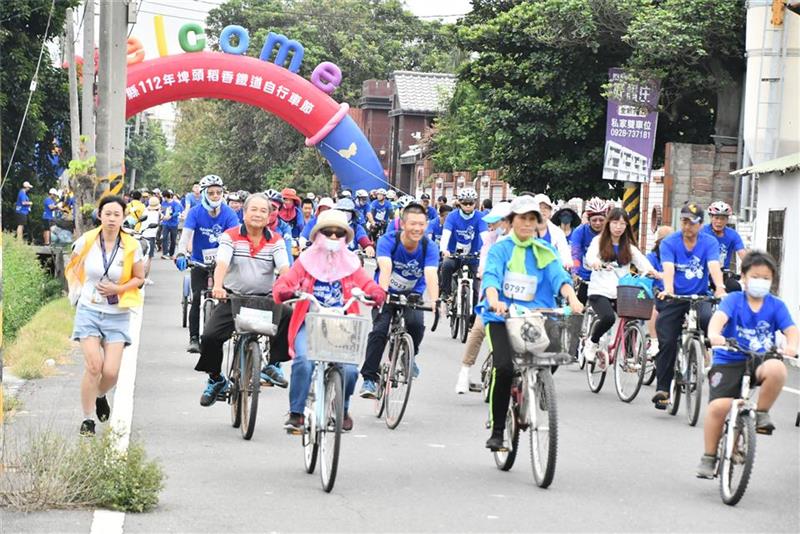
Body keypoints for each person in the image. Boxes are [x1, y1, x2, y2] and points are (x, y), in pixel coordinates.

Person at [479, 196, 583, 450]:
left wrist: (573, 297)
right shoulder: (500, 249)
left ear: (538, 223)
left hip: (537, 316)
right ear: (511, 221)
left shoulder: (544, 251)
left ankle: (539, 386)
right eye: (522, 218)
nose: (526, 224)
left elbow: (559, 277)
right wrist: (494, 300)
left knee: (555, 355)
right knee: (503, 369)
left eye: (531, 219)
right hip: (502, 318)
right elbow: (491, 278)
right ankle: (498, 429)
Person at [273, 210, 386, 433]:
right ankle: (296, 413)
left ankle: (342, 409)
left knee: (350, 371)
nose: (333, 238)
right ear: (317, 235)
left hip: (342, 326)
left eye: (338, 234)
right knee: (304, 361)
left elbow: (366, 283)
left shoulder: (351, 263)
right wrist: (285, 291)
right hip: (309, 322)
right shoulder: (305, 261)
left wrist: (376, 292)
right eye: (328, 232)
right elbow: (285, 281)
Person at [697, 251, 798, 478]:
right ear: (743, 276)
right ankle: (709, 456)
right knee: (718, 407)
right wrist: (714, 335)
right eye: (755, 276)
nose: (760, 282)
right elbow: (718, 319)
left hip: (760, 360)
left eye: (766, 278)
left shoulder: (776, 305)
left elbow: (791, 330)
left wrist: (791, 346)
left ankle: (762, 413)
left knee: (777, 369)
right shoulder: (734, 300)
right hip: (730, 360)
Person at [194, 193, 293, 405]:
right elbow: (221, 263)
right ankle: (215, 379)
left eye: (263, 211)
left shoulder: (276, 240)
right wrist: (218, 287)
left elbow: (284, 268)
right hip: (233, 298)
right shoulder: (230, 236)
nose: (258, 214)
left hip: (264, 299)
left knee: (289, 313)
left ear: (269, 216)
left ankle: (273, 364)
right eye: (253, 210)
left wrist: (287, 287)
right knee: (210, 336)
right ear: (244, 213)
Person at [65, 195, 145, 436]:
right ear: (99, 215)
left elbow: (139, 278)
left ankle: (100, 395)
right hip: (89, 310)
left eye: (116, 214)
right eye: (107, 213)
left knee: (110, 372)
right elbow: (72, 268)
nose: (111, 218)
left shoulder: (132, 245)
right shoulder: (86, 241)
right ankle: (87, 418)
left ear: (123, 218)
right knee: (93, 366)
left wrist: (118, 289)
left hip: (117, 313)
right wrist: (76, 293)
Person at [652, 202, 727, 410]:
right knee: (667, 340)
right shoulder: (670, 242)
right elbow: (668, 269)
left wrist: (720, 287)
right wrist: (668, 289)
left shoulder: (709, 242)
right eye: (684, 221)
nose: (687, 227)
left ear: (701, 224)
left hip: (699, 296)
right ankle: (663, 389)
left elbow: (713, 266)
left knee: (709, 324)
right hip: (674, 297)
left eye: (692, 223)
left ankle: (709, 364)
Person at [360, 203, 439, 397]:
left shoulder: (430, 246)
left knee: (416, 325)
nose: (417, 228)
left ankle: (408, 356)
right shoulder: (389, 241)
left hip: (412, 293)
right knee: (379, 330)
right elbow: (385, 267)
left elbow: (430, 273)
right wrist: (383, 295)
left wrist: (435, 301)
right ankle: (369, 379)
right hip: (386, 291)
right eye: (413, 224)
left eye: (421, 224)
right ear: (403, 224)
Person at [581, 208, 657, 363]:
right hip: (599, 290)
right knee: (608, 318)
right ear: (608, 224)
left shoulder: (628, 247)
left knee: (631, 319)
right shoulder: (598, 241)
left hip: (622, 292)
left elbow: (643, 263)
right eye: (615, 223)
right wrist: (595, 263)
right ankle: (592, 342)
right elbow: (590, 257)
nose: (618, 227)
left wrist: (653, 272)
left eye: (623, 224)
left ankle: (629, 357)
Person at [175, 175, 240, 353]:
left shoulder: (229, 213)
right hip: (199, 261)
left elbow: (237, 237)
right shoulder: (195, 212)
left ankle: (233, 335)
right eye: (211, 193)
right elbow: (186, 236)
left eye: (218, 192)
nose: (215, 196)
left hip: (223, 263)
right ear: (203, 194)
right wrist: (181, 253)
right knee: (196, 298)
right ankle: (194, 338)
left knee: (230, 298)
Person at [455, 202, 512, 394]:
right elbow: (486, 266)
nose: (492, 225)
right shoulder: (490, 240)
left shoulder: (525, 242)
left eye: (495, 222)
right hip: (492, 293)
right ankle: (465, 372)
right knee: (479, 329)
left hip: (519, 298)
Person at [439, 188, 488, 303]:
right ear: (459, 203)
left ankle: (472, 318)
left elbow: (485, 236)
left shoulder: (480, 217)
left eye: (470, 203)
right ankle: (446, 293)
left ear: (475, 203)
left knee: (477, 291)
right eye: (464, 203)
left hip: (473, 257)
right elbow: (446, 234)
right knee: (446, 265)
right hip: (454, 255)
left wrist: (486, 251)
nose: (467, 206)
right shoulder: (452, 216)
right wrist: (444, 250)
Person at [571, 198, 609, 304]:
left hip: (604, 276)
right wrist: (575, 272)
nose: (597, 223)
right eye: (594, 220)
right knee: (579, 307)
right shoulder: (580, 231)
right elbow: (576, 253)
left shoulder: (610, 233)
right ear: (588, 220)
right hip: (585, 275)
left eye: (601, 220)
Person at [703, 201, 747, 291]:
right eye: (716, 218)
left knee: (735, 288)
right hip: (702, 272)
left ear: (727, 220)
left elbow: (743, 254)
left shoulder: (732, 235)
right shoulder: (702, 231)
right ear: (711, 217)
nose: (719, 222)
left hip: (722, 273)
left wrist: (748, 271)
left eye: (723, 219)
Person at [645, 225, 673, 358]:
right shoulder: (652, 257)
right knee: (654, 309)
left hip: (674, 293)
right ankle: (654, 341)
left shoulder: (677, 255)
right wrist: (655, 274)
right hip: (656, 291)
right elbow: (646, 270)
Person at [534, 194, 572, 269]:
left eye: (546, 208)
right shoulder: (525, 228)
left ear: (550, 211)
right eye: (539, 207)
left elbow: (564, 252)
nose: (543, 210)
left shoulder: (557, 232)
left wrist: (567, 263)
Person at [141, 196, 161, 283]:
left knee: (141, 257)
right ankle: (146, 277)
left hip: (141, 235)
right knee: (148, 258)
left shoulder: (144, 211)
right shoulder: (157, 214)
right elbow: (165, 217)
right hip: (151, 237)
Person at [159, 190, 183, 259]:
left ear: (166, 197)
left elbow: (177, 212)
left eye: (163, 197)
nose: (163, 198)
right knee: (164, 238)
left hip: (173, 224)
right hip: (165, 223)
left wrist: (171, 216)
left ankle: (171, 254)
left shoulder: (175, 204)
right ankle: (165, 253)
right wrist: (162, 215)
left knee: (173, 239)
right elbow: (162, 210)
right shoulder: (163, 203)